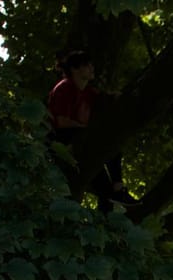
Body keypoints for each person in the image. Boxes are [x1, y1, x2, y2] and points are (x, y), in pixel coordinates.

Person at [47, 51, 137, 213]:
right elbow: (61, 122)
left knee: (105, 189)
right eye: (87, 65)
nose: (91, 68)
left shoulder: (87, 92)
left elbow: (104, 98)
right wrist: (88, 131)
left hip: (80, 141)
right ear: (75, 69)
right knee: (106, 145)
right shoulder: (65, 88)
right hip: (62, 142)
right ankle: (116, 190)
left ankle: (115, 195)